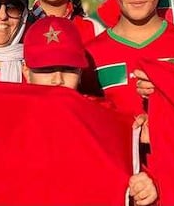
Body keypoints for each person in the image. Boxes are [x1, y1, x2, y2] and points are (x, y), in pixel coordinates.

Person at [22, 15, 159, 206]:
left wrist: (146, 188)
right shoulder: (13, 121)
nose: (57, 79)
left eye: (68, 69)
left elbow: (128, 174)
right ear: (26, 71)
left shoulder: (103, 118)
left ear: (80, 73)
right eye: (46, 70)